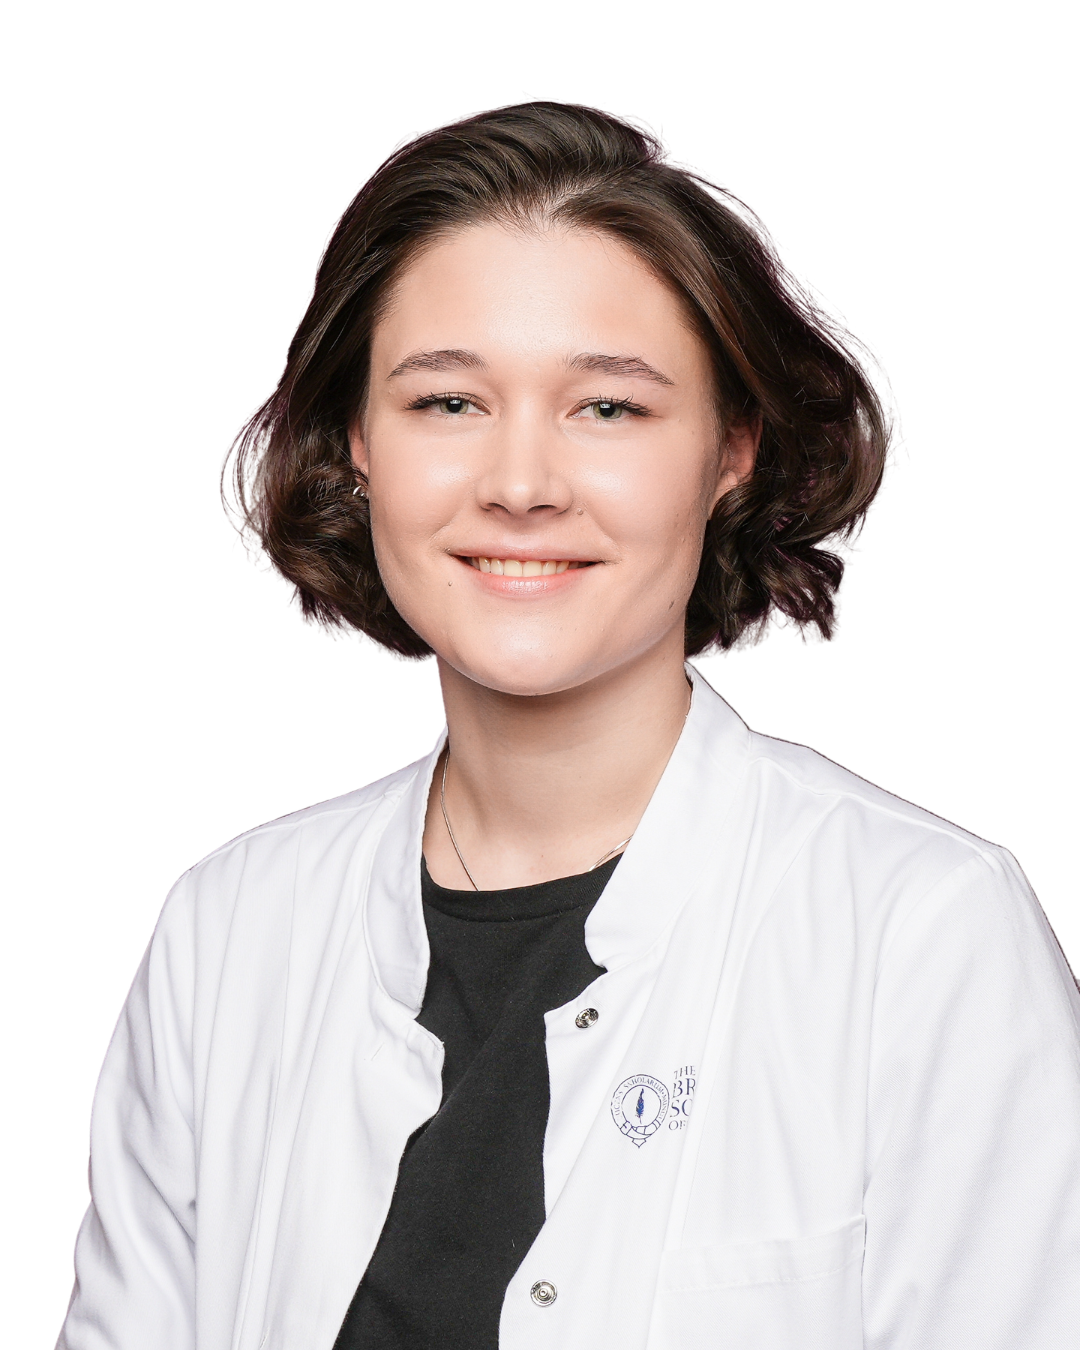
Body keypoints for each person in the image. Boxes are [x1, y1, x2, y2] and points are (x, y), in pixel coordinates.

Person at [56, 103, 1080, 1350]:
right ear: (356, 444)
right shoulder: (228, 933)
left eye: (608, 409)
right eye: (446, 403)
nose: (524, 482)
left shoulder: (924, 935)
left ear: (731, 453)